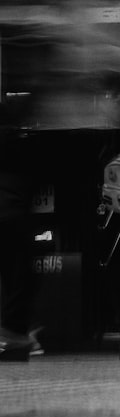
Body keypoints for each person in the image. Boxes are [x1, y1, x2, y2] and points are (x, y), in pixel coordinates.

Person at [0, 99, 36, 362]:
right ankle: (15, 336)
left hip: (7, 215)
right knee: (18, 278)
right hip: (16, 217)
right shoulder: (20, 144)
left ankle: (12, 336)